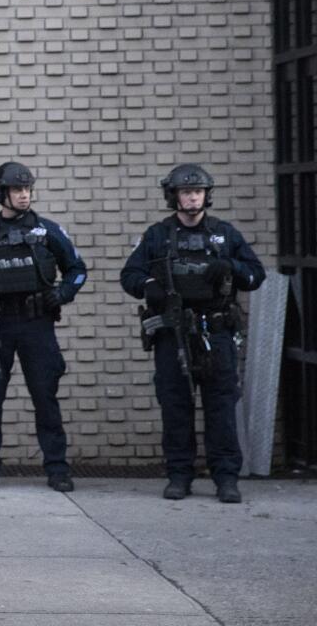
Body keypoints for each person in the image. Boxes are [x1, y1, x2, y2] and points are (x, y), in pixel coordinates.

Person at [120, 164, 263, 503]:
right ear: (174, 196)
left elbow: (256, 275)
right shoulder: (157, 235)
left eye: (198, 191)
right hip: (173, 333)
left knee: (221, 405)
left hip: (216, 333)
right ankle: (179, 475)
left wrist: (232, 268)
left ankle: (226, 478)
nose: (192, 197)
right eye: (186, 192)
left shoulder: (224, 234)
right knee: (175, 405)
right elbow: (129, 276)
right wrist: (149, 286)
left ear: (206, 195)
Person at [0, 161, 86, 492]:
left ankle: (57, 469)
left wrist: (62, 294)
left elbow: (77, 270)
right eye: (17, 190)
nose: (24, 196)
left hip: (37, 323)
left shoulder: (47, 230)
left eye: (27, 190)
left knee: (45, 397)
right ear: (1, 193)